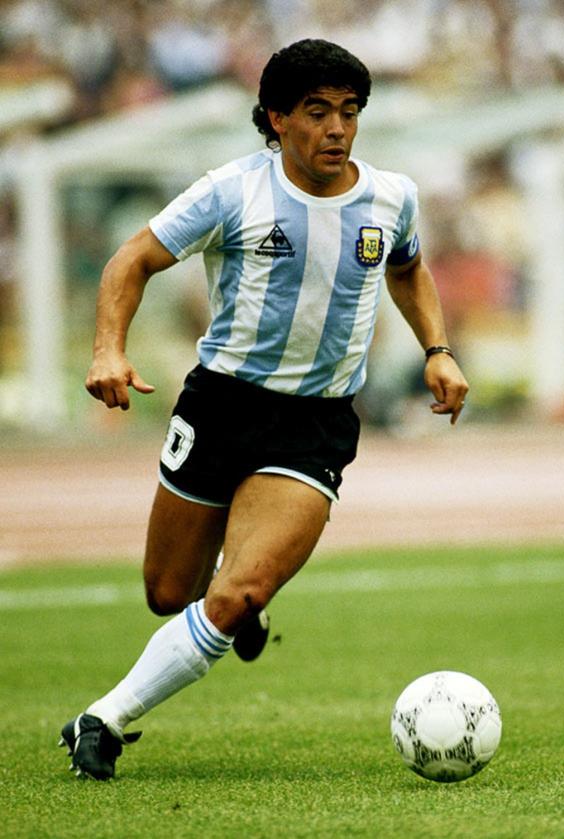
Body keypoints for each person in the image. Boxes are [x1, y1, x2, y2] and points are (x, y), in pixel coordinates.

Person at [59, 38, 469, 780]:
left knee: (238, 589)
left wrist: (437, 348)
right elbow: (132, 260)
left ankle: (102, 718)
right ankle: (237, 594)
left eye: (349, 112)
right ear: (277, 119)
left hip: (315, 422)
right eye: (317, 112)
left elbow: (407, 266)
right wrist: (107, 350)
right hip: (222, 403)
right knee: (167, 593)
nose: (337, 129)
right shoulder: (230, 192)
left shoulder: (391, 196)